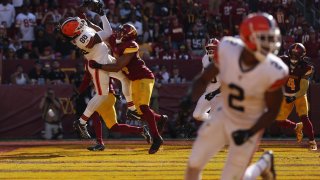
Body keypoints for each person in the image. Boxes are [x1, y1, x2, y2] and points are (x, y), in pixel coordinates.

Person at [184, 13, 288, 180]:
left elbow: (272, 111)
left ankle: (263, 164)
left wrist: (250, 132)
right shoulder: (228, 49)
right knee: (193, 165)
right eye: (263, 38)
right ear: (248, 37)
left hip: (248, 123)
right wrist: (188, 99)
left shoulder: (275, 69)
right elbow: (204, 78)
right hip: (222, 114)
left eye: (271, 38)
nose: (269, 44)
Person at [60, 4, 141, 139]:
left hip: (105, 58)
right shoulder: (81, 39)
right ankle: (81, 122)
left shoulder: (80, 31)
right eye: (76, 23)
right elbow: (107, 33)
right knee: (102, 95)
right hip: (98, 65)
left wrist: (87, 12)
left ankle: (132, 109)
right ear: (75, 32)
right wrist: (102, 14)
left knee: (125, 78)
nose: (79, 22)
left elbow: (95, 28)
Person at [89, 22, 168, 154]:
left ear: (128, 36)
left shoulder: (131, 45)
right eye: (120, 31)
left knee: (143, 107)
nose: (119, 33)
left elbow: (118, 66)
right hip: (134, 79)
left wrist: (98, 66)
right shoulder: (116, 40)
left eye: (122, 33)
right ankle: (160, 119)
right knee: (140, 113)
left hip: (144, 77)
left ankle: (157, 138)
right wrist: (88, 23)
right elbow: (103, 32)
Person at [75, 63, 151, 151]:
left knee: (94, 113)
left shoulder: (97, 63)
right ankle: (141, 130)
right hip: (110, 97)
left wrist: (78, 91)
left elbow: (87, 80)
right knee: (114, 126)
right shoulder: (101, 63)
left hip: (106, 96)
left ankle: (99, 143)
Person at [276, 43, 317, 151]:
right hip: (286, 94)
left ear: (302, 55)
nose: (294, 57)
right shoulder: (282, 60)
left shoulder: (306, 67)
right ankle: (296, 127)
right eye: (292, 54)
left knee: (304, 117)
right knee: (279, 120)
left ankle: (312, 141)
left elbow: (303, 89)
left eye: (296, 54)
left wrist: (294, 97)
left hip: (299, 95)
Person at [193, 38, 221, 121]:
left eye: (213, 48)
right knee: (197, 115)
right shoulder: (205, 58)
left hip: (220, 94)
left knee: (213, 118)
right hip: (208, 92)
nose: (211, 50)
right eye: (209, 48)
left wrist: (214, 93)